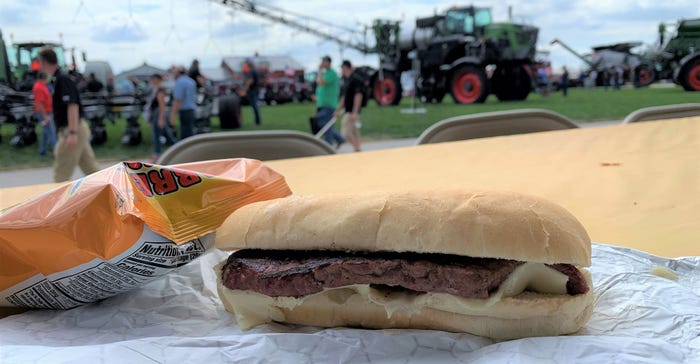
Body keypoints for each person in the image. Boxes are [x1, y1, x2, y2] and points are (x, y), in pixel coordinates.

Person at [38, 47, 100, 182]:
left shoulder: (62, 80)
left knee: (61, 172)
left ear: (43, 62)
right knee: (91, 170)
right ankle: (110, 194)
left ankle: (58, 202)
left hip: (71, 129)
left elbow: (72, 106)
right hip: (77, 128)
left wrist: (72, 133)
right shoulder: (57, 79)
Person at [145, 74, 177, 162]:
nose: (151, 81)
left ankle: (157, 153)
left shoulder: (160, 91)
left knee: (157, 134)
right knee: (166, 134)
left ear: (156, 80)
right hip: (155, 114)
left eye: (152, 79)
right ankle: (177, 147)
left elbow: (162, 105)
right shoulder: (155, 90)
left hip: (158, 114)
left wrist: (161, 118)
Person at [315, 55, 345, 148]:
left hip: (329, 104)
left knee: (325, 125)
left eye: (324, 62)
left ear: (328, 62)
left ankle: (329, 145)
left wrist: (319, 70)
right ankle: (339, 139)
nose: (322, 64)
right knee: (325, 125)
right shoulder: (326, 73)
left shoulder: (332, 73)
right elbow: (319, 84)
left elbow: (320, 82)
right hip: (322, 104)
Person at [335, 60, 364, 152]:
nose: (341, 70)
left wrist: (355, 111)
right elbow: (343, 97)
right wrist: (338, 110)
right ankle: (357, 149)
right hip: (347, 110)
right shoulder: (345, 80)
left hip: (352, 111)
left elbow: (358, 95)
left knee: (346, 133)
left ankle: (357, 149)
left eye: (341, 68)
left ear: (345, 67)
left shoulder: (355, 79)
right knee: (353, 131)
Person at [169, 66, 197, 140]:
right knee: (190, 132)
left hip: (184, 111)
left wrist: (172, 115)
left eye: (174, 72)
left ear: (178, 73)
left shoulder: (180, 82)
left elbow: (177, 100)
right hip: (191, 110)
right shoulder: (191, 81)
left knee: (184, 135)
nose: (173, 75)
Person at [32, 72, 56, 156]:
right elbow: (39, 103)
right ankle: (56, 151)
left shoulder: (42, 86)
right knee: (51, 132)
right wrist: (45, 116)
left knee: (46, 133)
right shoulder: (38, 87)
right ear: (44, 78)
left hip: (47, 111)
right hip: (44, 113)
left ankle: (42, 151)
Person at [241, 58, 262, 126]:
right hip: (256, 89)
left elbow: (250, 81)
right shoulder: (255, 70)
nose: (246, 64)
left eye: (247, 62)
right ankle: (257, 121)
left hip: (252, 90)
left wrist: (245, 89)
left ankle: (257, 122)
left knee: (254, 106)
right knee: (255, 105)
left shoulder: (251, 71)